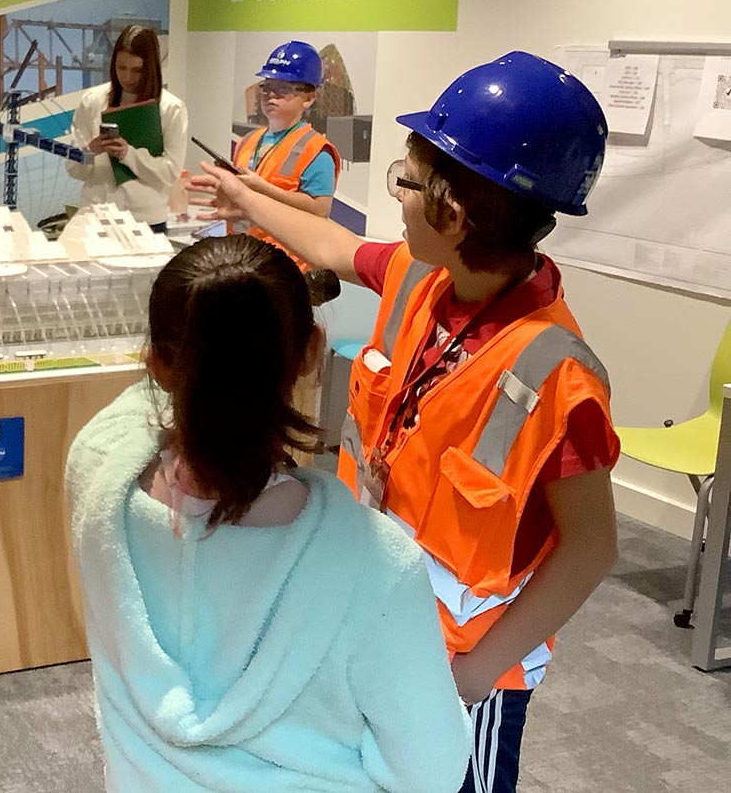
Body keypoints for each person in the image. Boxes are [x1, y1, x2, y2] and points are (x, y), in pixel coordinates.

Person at [189, 51, 621, 793]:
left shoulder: (558, 375)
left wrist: (475, 674)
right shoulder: (424, 277)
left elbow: (591, 548)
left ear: (454, 211)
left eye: (407, 182)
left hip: (466, 663)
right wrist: (239, 192)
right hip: (378, 617)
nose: (398, 200)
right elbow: (324, 243)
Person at [67, 234, 469, 792]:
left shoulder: (96, 474)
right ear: (311, 352)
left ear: (158, 364)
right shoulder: (374, 564)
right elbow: (431, 773)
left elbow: (144, 408)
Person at [65, 24, 188, 230]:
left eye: (137, 70)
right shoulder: (92, 101)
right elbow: (73, 168)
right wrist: (91, 150)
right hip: (95, 218)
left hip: (145, 223)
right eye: (121, 67)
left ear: (150, 68)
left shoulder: (171, 108)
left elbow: (170, 172)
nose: (128, 77)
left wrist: (128, 155)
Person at [229, 41, 340, 256]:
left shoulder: (316, 150)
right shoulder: (247, 141)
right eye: (267, 87)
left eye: (282, 89)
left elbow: (319, 209)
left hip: (288, 266)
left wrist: (263, 189)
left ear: (309, 97)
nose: (271, 95)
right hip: (241, 256)